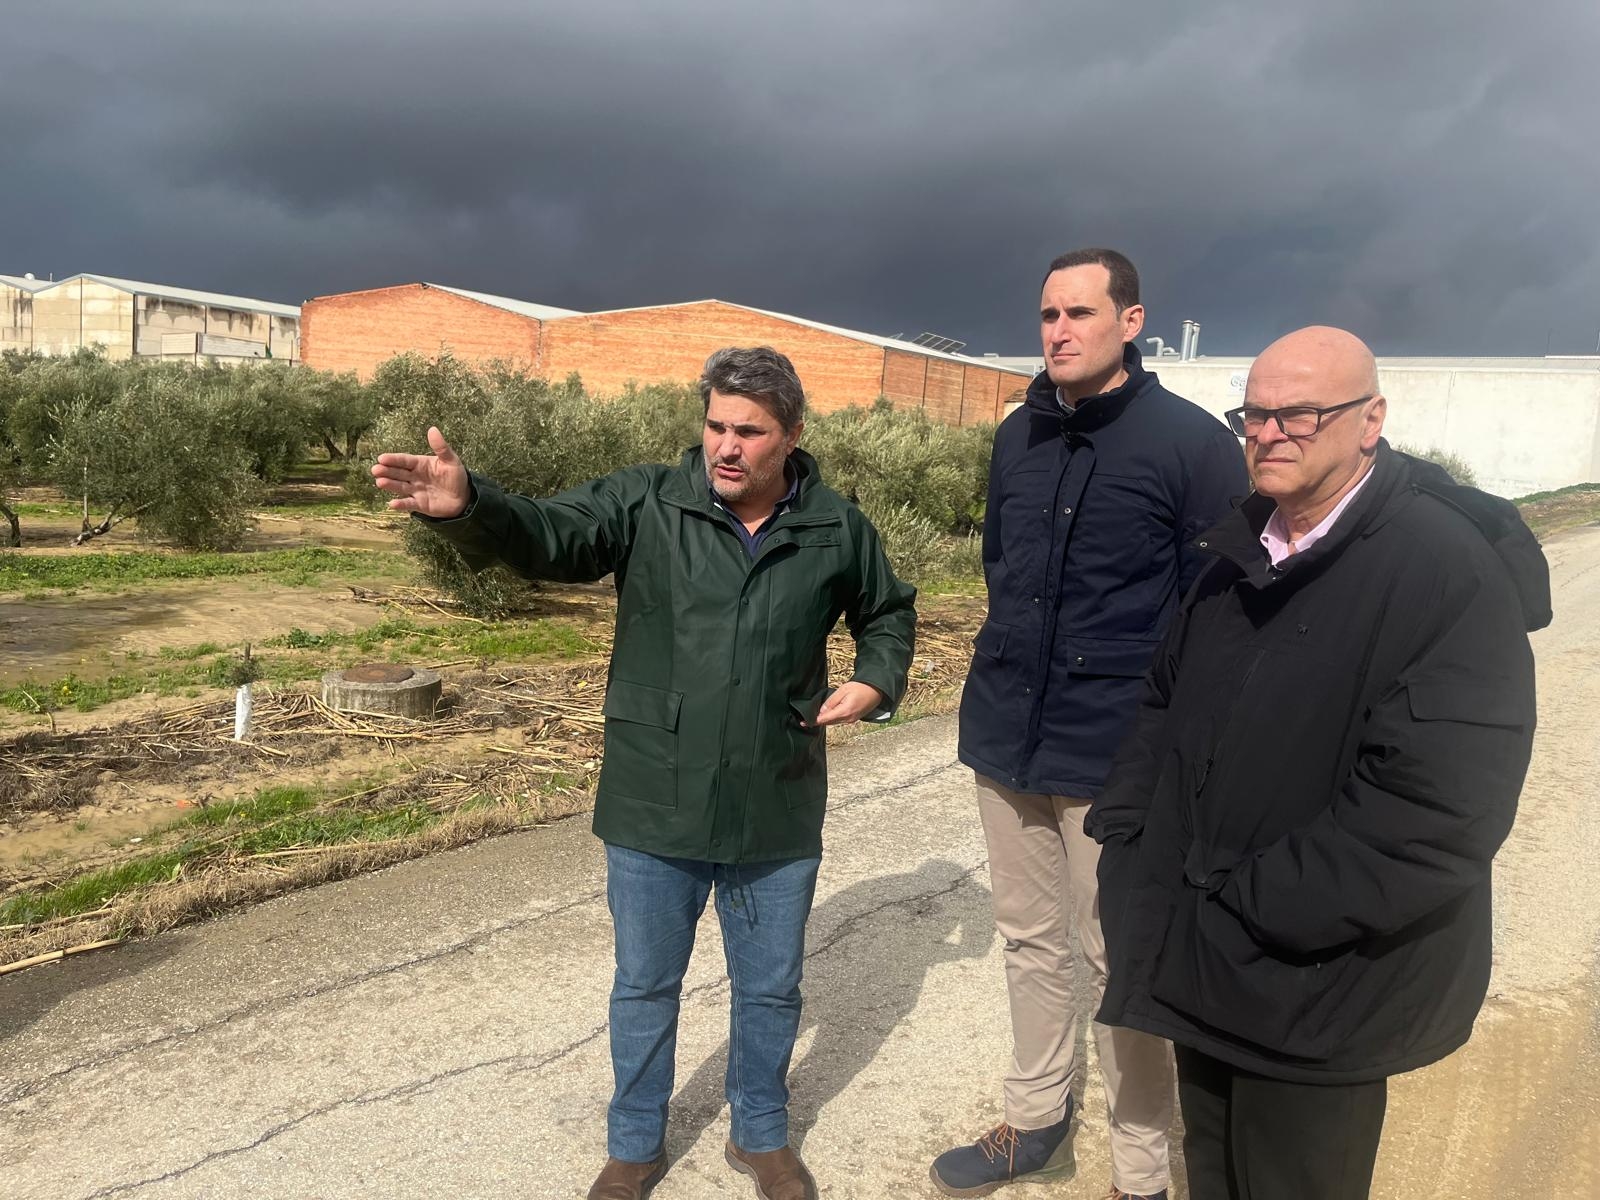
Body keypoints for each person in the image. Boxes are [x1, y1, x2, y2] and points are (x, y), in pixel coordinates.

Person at [372, 346, 916, 1200]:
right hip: (652, 793)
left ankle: (761, 1134)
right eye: (716, 425)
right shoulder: (646, 501)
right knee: (645, 986)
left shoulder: (835, 526)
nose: (726, 446)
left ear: (792, 435)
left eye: (749, 432)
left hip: (774, 794)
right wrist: (472, 505)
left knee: (771, 988)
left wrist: (876, 680)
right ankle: (634, 1145)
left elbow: (887, 611)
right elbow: (550, 536)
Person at [1087, 326, 1549, 1200]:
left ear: (1371, 420)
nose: (1268, 434)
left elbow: (1435, 812)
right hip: (1204, 955)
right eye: (1253, 415)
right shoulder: (1237, 556)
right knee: (1212, 1171)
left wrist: (1254, 907)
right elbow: (1161, 708)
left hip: (1319, 983)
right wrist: (1129, 843)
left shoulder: (1445, 571)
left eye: (1299, 414)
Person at [934, 249, 1247, 1200]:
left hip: (1116, 751)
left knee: (1119, 958)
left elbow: (1214, 613)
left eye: (1079, 313)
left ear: (1130, 321)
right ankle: (1036, 1120)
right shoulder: (1016, 436)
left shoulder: (1192, 445)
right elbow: (1000, 568)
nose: (1059, 331)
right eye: (1048, 315)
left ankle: (1141, 1171)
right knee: (1028, 938)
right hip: (1007, 735)